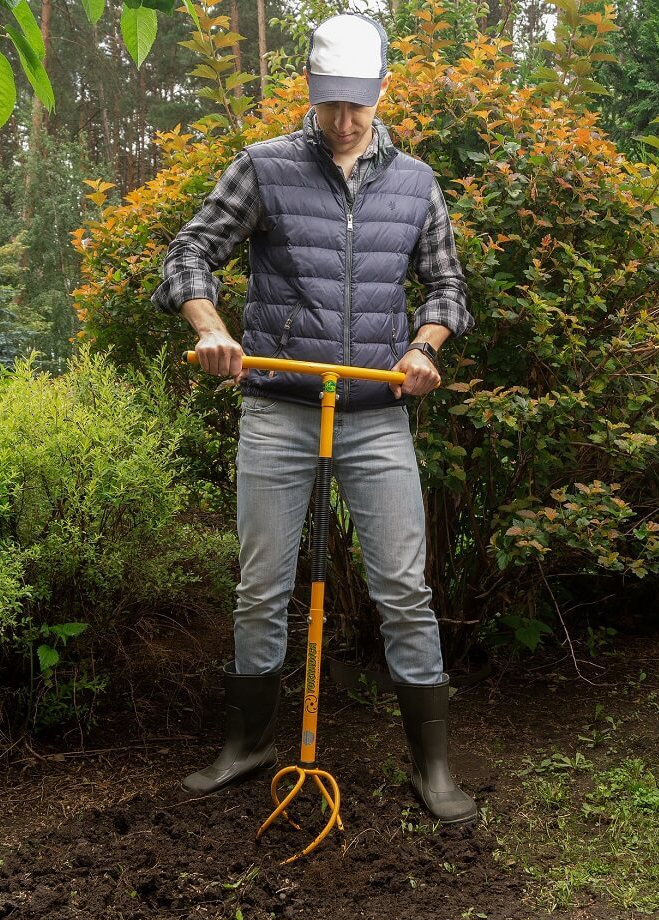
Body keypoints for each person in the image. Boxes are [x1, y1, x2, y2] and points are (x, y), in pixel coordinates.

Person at [152, 12, 477, 824]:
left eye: (356, 106)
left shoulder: (417, 183)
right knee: (261, 587)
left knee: (403, 587)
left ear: (380, 93)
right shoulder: (262, 169)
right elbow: (187, 255)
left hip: (375, 412)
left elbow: (447, 291)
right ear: (311, 91)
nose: (342, 122)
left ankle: (431, 767)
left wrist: (425, 347)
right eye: (330, 104)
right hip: (278, 409)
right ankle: (248, 743)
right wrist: (214, 329)